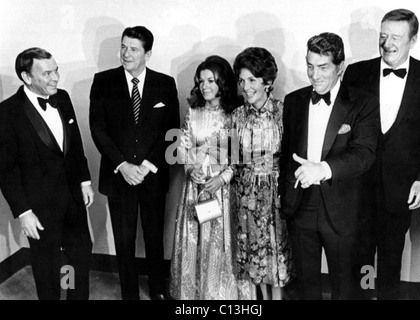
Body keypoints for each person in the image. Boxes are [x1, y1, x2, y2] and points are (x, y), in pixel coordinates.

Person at [343, 9, 420, 300]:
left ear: (413, 40)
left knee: (391, 254)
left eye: (396, 37)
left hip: (402, 186)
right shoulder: (357, 73)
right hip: (359, 186)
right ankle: (363, 297)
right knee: (360, 255)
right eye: (383, 36)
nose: (387, 44)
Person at [279, 33, 379, 300]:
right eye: (310, 66)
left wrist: (322, 169)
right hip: (300, 206)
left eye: (323, 67)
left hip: (342, 209)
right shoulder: (293, 100)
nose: (315, 75)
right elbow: (286, 155)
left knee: (345, 289)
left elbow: (365, 155)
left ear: (340, 66)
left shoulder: (364, 102)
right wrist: (285, 198)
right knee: (307, 288)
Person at [89, 26, 180, 300]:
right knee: (124, 241)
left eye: (134, 49)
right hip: (119, 177)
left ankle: (157, 290)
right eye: (123, 47)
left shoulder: (165, 83)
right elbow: (98, 129)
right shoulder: (103, 81)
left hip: (152, 176)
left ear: (148, 54)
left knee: (154, 240)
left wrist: (147, 165)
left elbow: (172, 131)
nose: (126, 54)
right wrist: (123, 166)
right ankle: (129, 293)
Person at [0, 48, 94, 300]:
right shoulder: (7, 112)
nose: (55, 78)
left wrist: (84, 180)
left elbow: (75, 145)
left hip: (73, 197)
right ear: (27, 77)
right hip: (39, 208)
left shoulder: (62, 98)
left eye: (56, 70)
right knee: (48, 266)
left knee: (79, 256)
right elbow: (6, 171)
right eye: (47, 73)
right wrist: (23, 212)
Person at [170, 55, 256, 300]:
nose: (204, 86)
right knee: (194, 237)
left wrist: (223, 178)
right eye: (201, 81)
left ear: (223, 83)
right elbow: (182, 146)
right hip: (195, 187)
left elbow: (241, 156)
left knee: (220, 244)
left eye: (210, 80)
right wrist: (189, 168)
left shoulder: (235, 114)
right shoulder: (193, 112)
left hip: (221, 190)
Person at [232, 47, 293, 300]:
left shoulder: (284, 112)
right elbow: (231, 159)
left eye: (252, 80)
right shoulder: (236, 115)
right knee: (252, 258)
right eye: (242, 80)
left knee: (276, 256)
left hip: (276, 196)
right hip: (246, 196)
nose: (245, 87)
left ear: (267, 82)